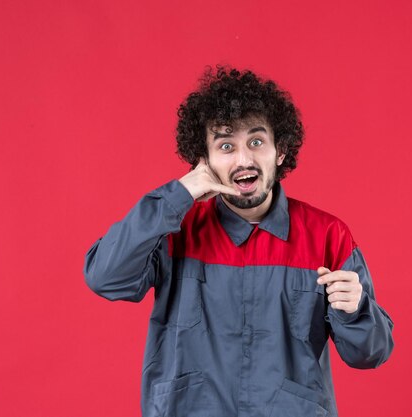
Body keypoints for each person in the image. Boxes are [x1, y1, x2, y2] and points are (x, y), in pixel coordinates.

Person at [83, 66, 394, 417]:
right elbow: (105, 277)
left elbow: (370, 354)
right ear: (205, 160)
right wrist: (178, 195)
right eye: (226, 145)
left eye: (257, 142)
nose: (244, 159)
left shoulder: (327, 235)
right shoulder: (173, 228)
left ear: (280, 152)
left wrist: (355, 310)